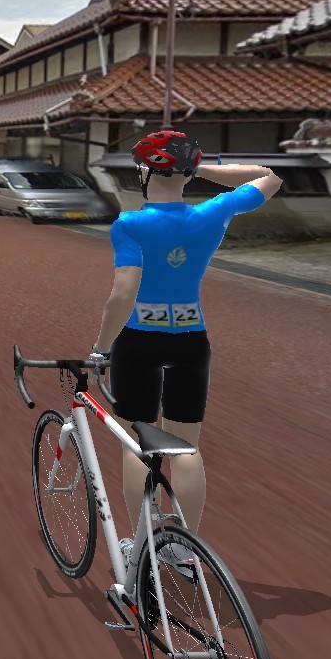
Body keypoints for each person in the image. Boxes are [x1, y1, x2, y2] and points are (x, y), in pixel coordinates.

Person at [87, 129, 282, 572]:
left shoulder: (130, 224)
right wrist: (197, 168)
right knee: (185, 448)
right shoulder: (213, 213)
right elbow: (270, 177)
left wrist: (100, 348)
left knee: (139, 445)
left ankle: (141, 547)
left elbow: (123, 294)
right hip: (191, 340)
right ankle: (182, 548)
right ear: (189, 173)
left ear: (144, 172)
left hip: (139, 342)